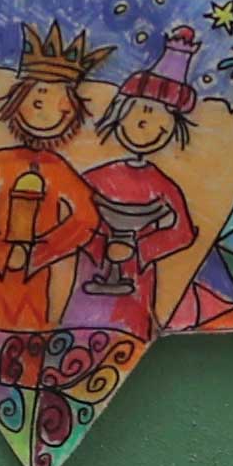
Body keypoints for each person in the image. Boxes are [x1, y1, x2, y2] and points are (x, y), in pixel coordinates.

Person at [0, 23, 110, 332]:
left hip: (37, 274)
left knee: (34, 322)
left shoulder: (59, 170)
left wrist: (43, 251)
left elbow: (86, 217)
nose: (45, 115)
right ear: (18, 103)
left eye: (60, 108)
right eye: (38, 103)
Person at [64, 25, 201, 339]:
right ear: (121, 114)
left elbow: (184, 232)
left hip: (136, 283)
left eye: (163, 119)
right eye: (144, 111)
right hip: (90, 277)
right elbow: (72, 214)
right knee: (79, 331)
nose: (149, 124)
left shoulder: (163, 186)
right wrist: (100, 246)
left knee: (127, 333)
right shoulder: (95, 177)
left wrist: (138, 249)